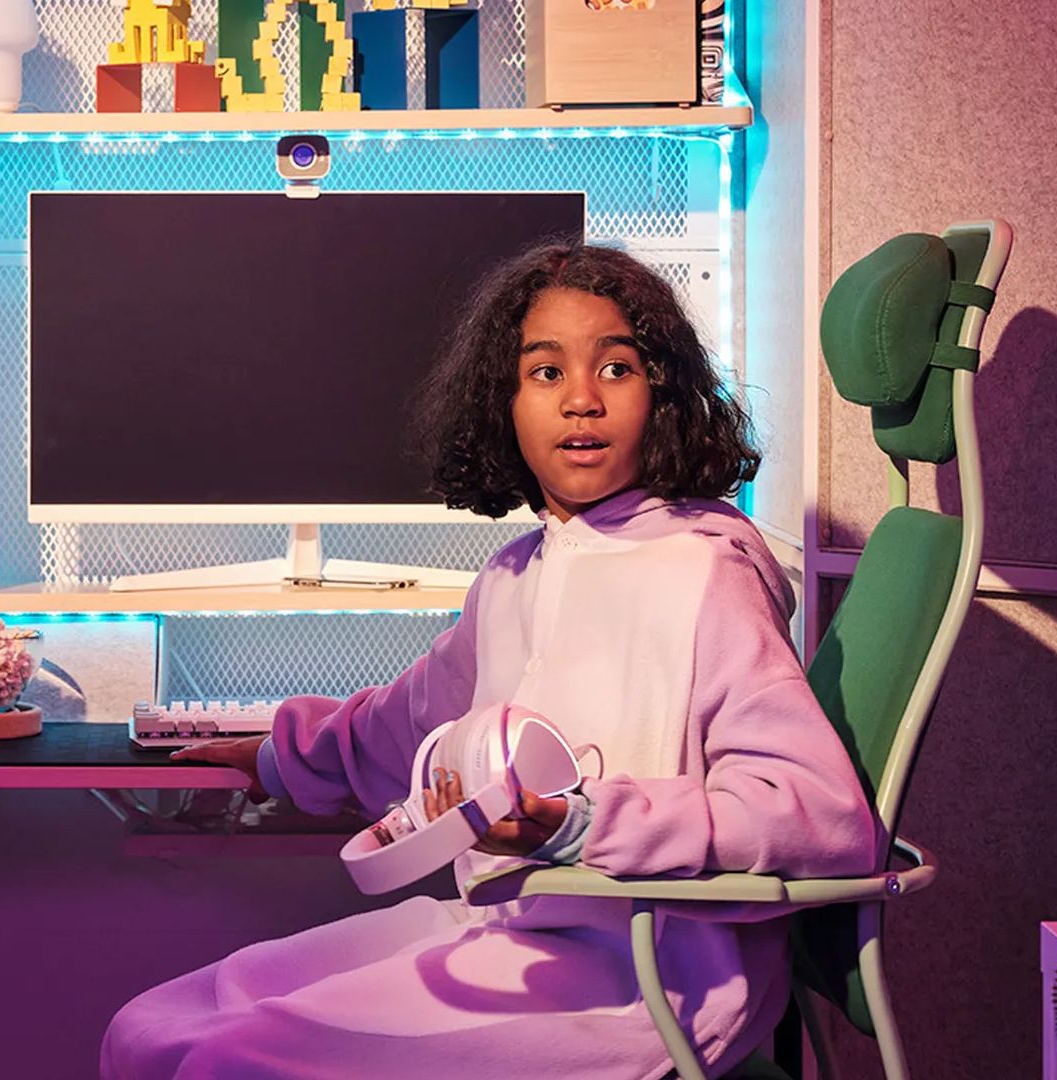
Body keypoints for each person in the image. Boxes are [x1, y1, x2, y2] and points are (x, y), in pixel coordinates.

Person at [100, 242, 880, 1079]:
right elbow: (405, 724)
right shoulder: (514, 574)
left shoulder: (706, 573)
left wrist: (583, 822)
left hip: (653, 977)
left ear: (662, 394)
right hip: (508, 930)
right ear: (502, 402)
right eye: (546, 374)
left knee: (228, 1063)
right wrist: (273, 757)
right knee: (154, 1029)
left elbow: (820, 815)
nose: (582, 400)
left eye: (615, 368)